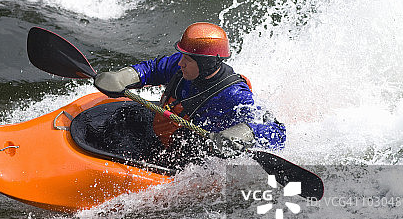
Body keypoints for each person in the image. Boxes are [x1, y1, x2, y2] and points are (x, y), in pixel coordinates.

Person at [92, 22, 286, 169]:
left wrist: (244, 133)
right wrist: (123, 77)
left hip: (193, 157)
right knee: (122, 118)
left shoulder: (234, 95)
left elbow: (277, 132)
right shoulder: (182, 65)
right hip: (167, 138)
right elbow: (153, 69)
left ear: (206, 64)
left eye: (187, 59)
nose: (180, 63)